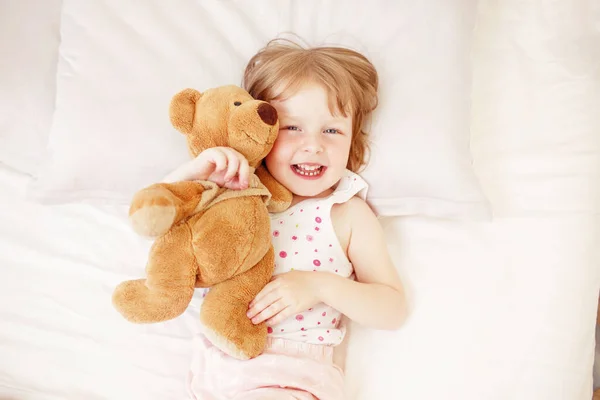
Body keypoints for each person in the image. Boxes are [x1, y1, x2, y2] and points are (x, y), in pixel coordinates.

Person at [167, 38, 408, 400]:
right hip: (216, 371)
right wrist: (196, 171)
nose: (313, 145)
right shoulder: (236, 193)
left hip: (292, 378)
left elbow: (392, 309)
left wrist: (318, 285)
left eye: (332, 130)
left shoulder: (345, 212)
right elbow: (159, 224)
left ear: (352, 141)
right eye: (292, 128)